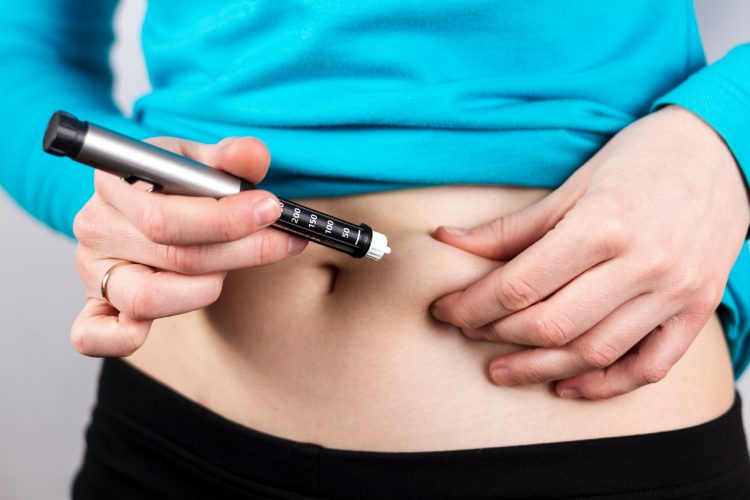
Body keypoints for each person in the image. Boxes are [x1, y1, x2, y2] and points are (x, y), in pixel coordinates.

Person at [2, 0, 750, 498]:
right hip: (171, 444)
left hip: (589, 460)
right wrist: (121, 205)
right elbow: (20, 45)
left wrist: (726, 141)